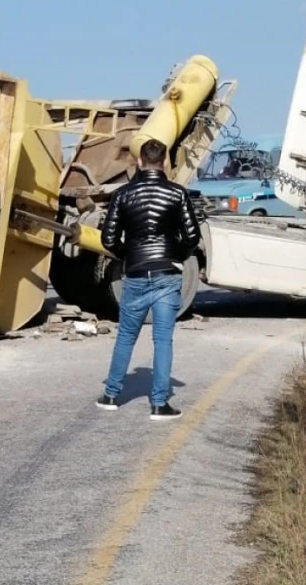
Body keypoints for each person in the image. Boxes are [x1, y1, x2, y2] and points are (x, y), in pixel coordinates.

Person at [95, 138, 201, 420]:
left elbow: (108, 238)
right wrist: (174, 253)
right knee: (163, 340)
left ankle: (111, 395)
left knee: (126, 337)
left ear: (139, 162)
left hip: (136, 274)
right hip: (167, 274)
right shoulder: (177, 194)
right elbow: (193, 237)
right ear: (165, 162)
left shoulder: (123, 194)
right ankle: (158, 404)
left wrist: (128, 254)